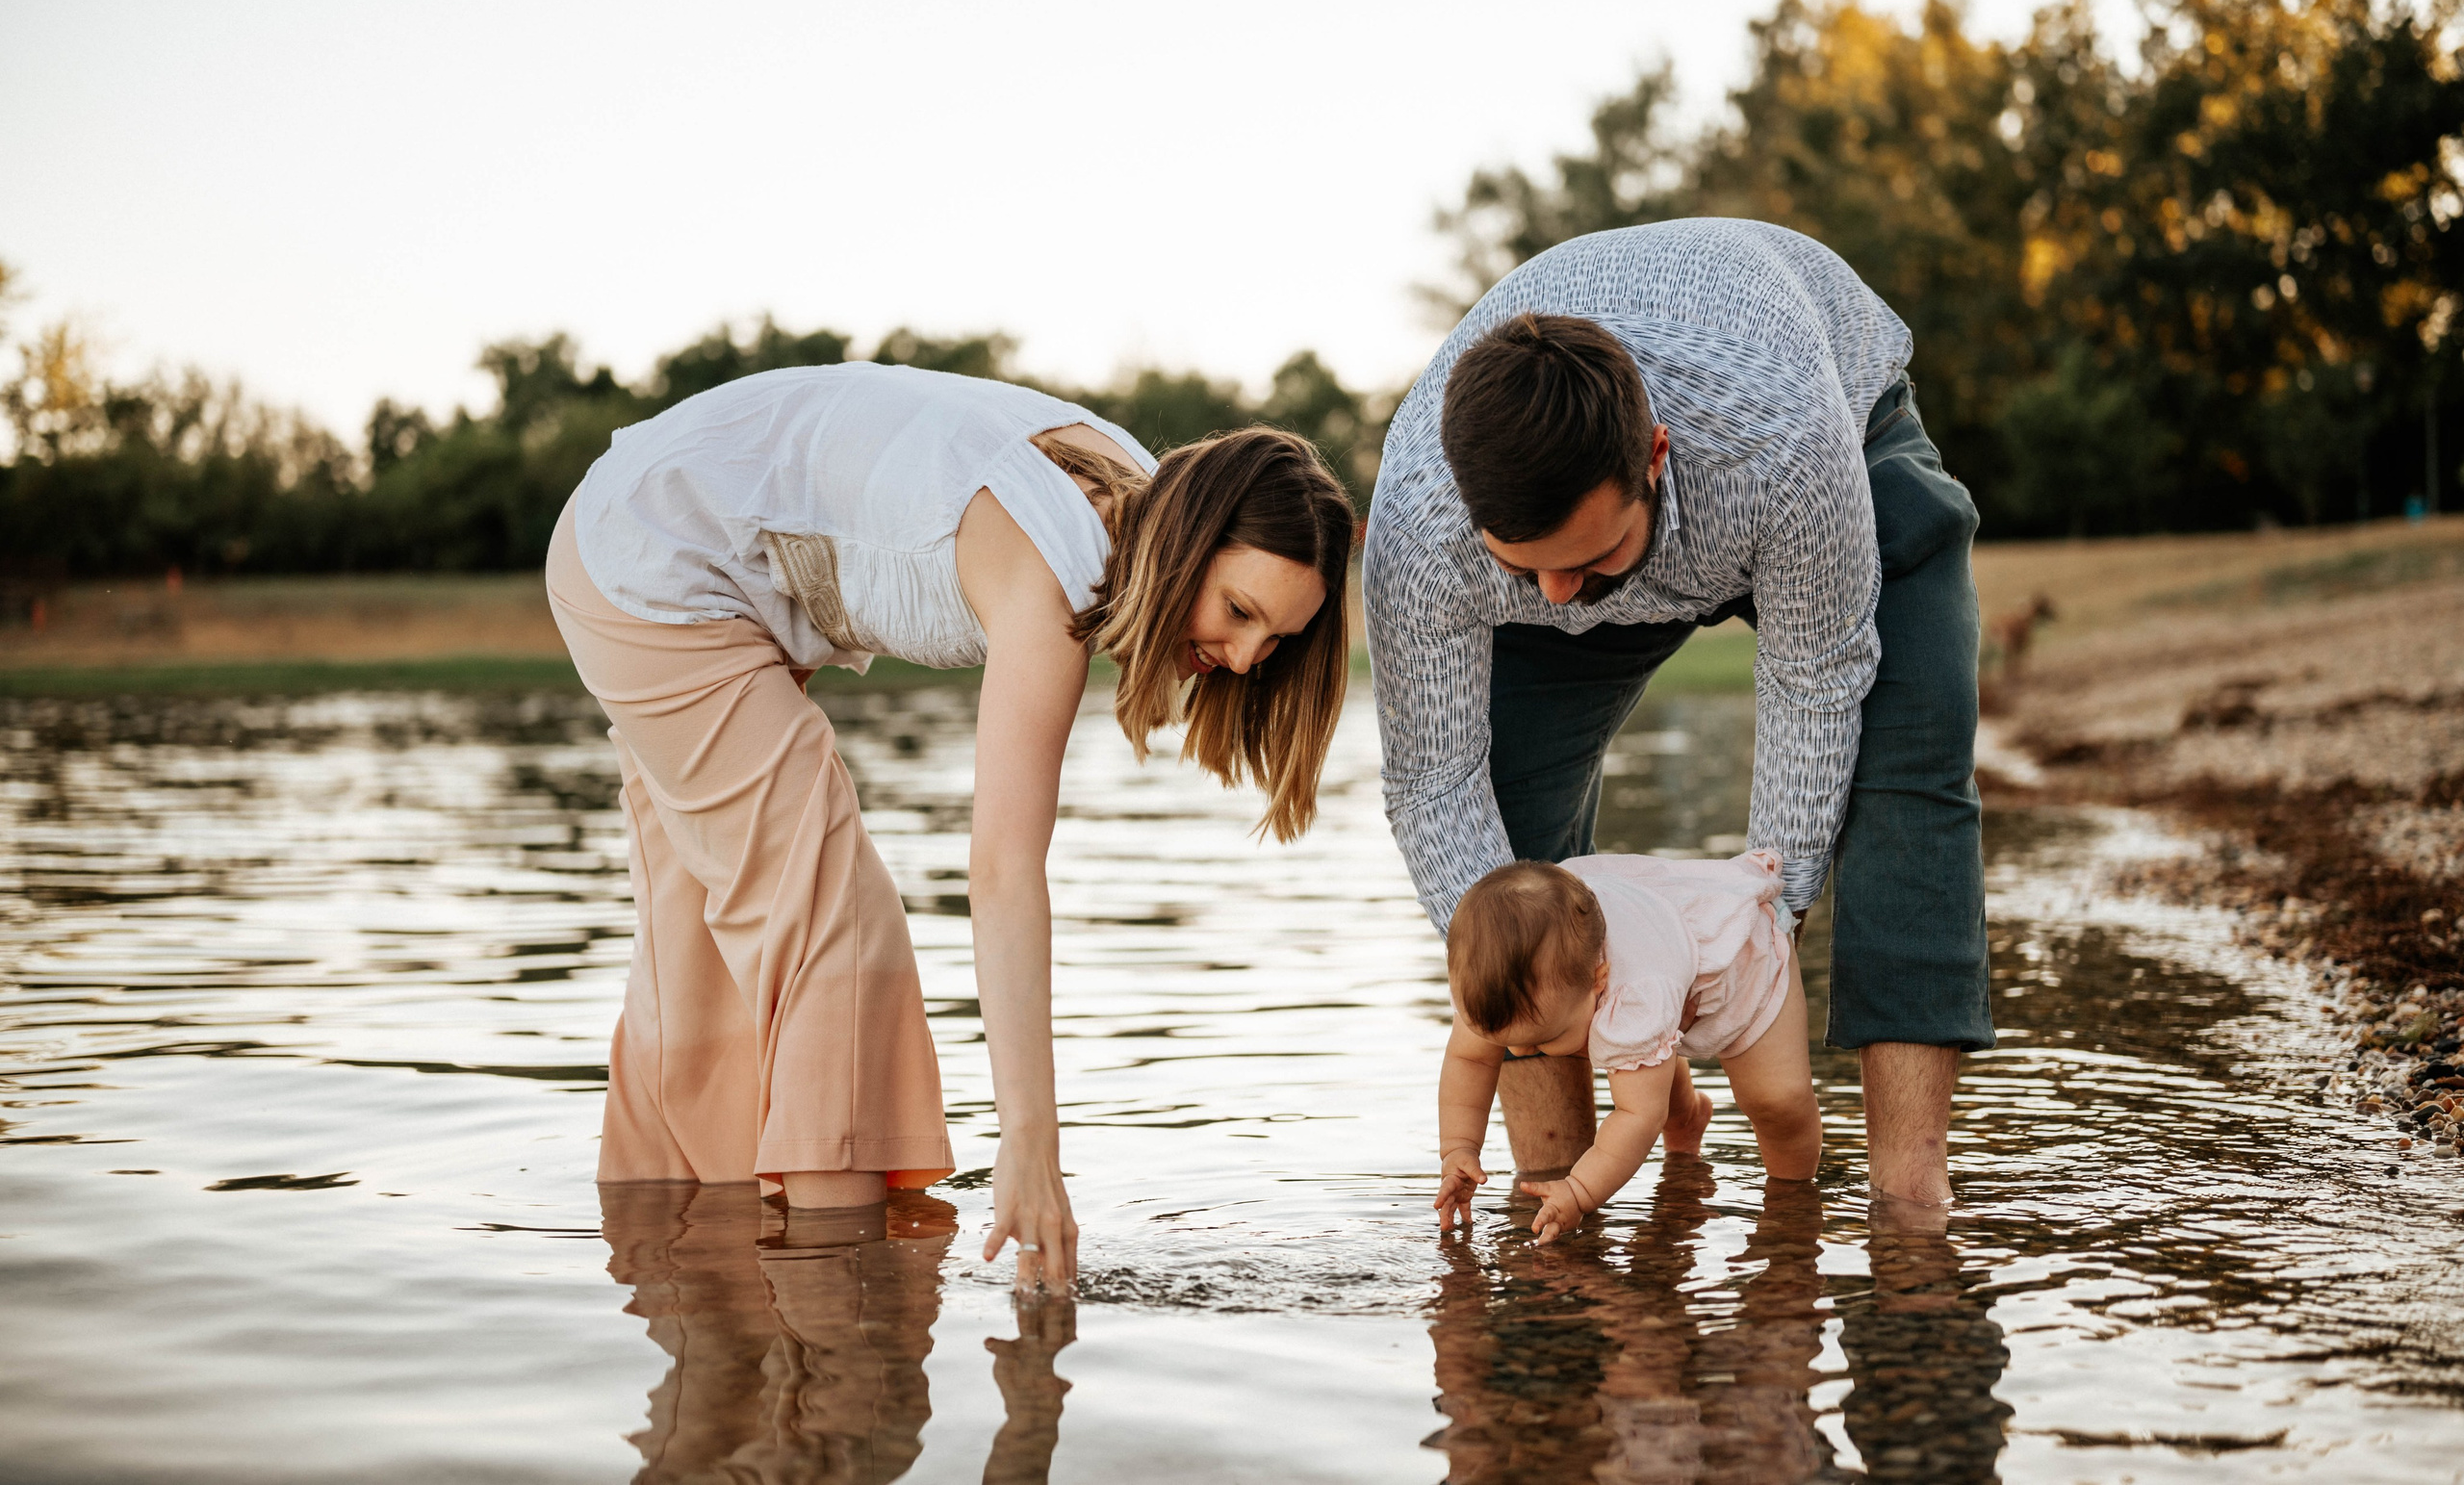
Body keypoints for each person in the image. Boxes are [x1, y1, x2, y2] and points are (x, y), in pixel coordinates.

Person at [549, 361, 1356, 1288]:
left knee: (698, 954)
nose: (1250, 659)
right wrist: (1031, 1152)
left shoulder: (1135, 495)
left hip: (663, 537)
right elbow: (1006, 871)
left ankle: (685, 1269)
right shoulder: (1056, 564)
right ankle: (838, 1296)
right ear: (1187, 543)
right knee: (837, 930)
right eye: (1240, 612)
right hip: (658, 562)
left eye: (1280, 639)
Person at [1366, 218, 1990, 1209]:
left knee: (1904, 774)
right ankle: (1548, 1203)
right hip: (1597, 518)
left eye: (1587, 555)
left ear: (1654, 456)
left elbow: (1816, 677)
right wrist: (1575, 981)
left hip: (1838, 438)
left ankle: (1910, 1202)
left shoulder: (1777, 438)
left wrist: (1743, 947)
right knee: (1515, 880)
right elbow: (1434, 786)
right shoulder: (1420, 523)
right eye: (1525, 565)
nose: (1561, 595)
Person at [1433, 851, 1820, 1242]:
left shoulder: (1635, 992)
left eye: (1542, 1040)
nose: (1519, 1054)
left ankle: (1793, 1208)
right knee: (1632, 1056)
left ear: (1598, 979)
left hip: (1737, 960)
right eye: (1505, 1044)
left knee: (1776, 1101)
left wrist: (1580, 1191)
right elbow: (1469, 1060)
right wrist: (1459, 1149)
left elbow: (1637, 1115)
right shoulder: (1491, 981)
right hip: (1660, 944)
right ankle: (1686, 1118)